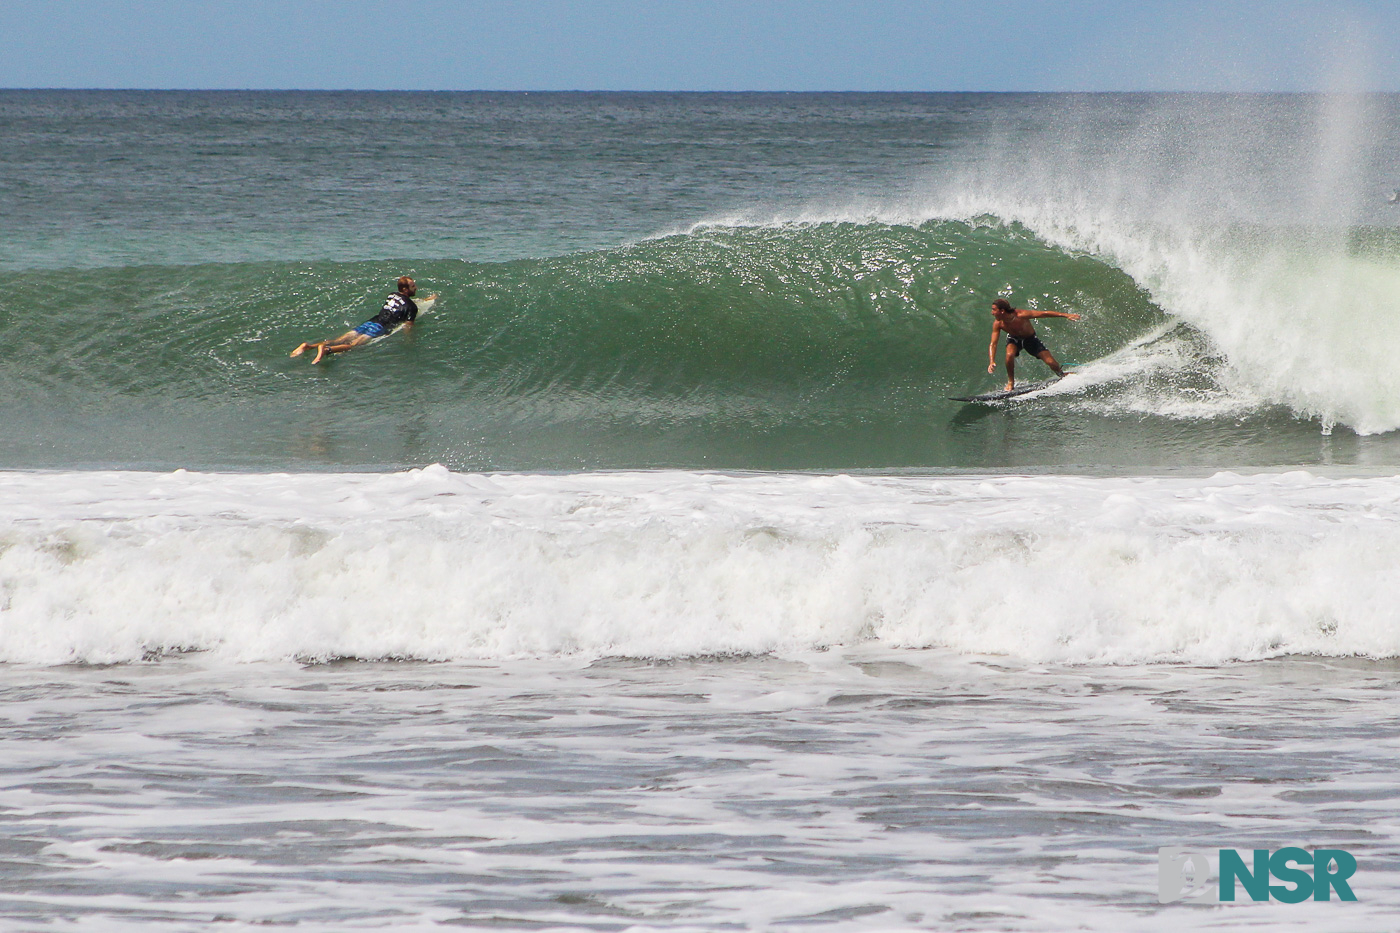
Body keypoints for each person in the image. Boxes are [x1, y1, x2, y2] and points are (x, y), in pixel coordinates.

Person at [291, 276, 434, 364]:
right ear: (405, 289)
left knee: (341, 339)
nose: (416, 287)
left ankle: (308, 346)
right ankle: (327, 350)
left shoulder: (392, 295)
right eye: (413, 286)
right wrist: (409, 341)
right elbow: (408, 326)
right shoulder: (411, 307)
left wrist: (427, 299)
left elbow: (405, 301)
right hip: (380, 327)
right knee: (353, 345)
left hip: (370, 322)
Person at [987, 297, 1082, 391]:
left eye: (994, 310)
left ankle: (1061, 374)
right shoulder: (998, 324)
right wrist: (992, 361)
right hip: (1014, 339)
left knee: (1051, 363)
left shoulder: (1021, 314)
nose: (992, 312)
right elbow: (993, 344)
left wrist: (1066, 315)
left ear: (1002, 311)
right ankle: (1011, 382)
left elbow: (1043, 314)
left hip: (1030, 339)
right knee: (1009, 355)